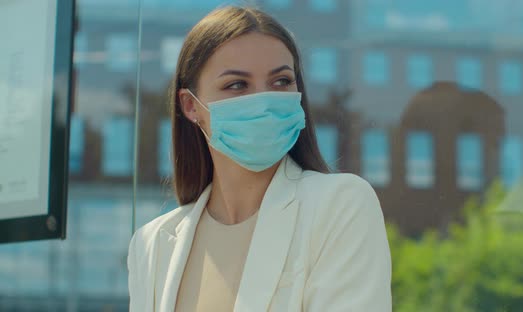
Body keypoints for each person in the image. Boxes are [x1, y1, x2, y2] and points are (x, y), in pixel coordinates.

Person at [127, 6, 392, 312]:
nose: (264, 101)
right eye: (237, 85)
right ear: (190, 106)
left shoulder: (340, 205)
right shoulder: (151, 245)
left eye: (281, 81)